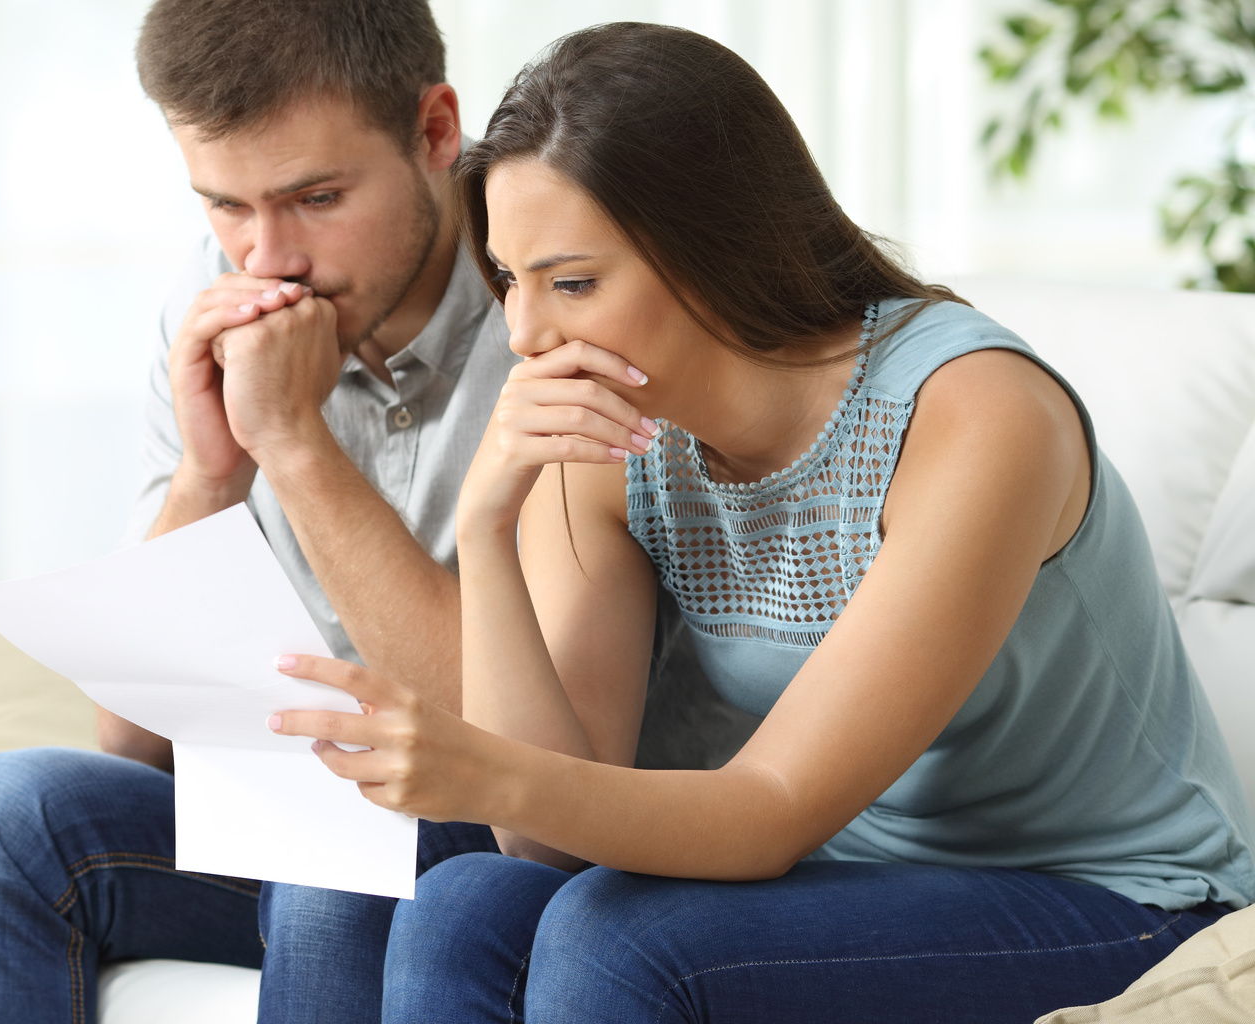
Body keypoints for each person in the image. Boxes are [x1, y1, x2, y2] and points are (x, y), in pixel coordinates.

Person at [263, 22, 1255, 1023]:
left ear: (712, 247)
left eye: (572, 282)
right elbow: (550, 835)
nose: (526, 335)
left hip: (1118, 898)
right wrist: (487, 527)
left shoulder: (975, 414)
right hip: (851, 880)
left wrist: (482, 767)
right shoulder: (613, 432)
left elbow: (771, 810)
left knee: (615, 940)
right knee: (457, 894)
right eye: (510, 281)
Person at [0, 5, 748, 1023]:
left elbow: (516, 767)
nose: (269, 259)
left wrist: (294, 448)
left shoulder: (560, 290)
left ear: (437, 132)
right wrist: (211, 477)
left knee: (346, 858)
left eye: (316, 196)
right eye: (224, 205)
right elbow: (127, 744)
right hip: (309, 809)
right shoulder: (220, 297)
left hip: (538, 819)